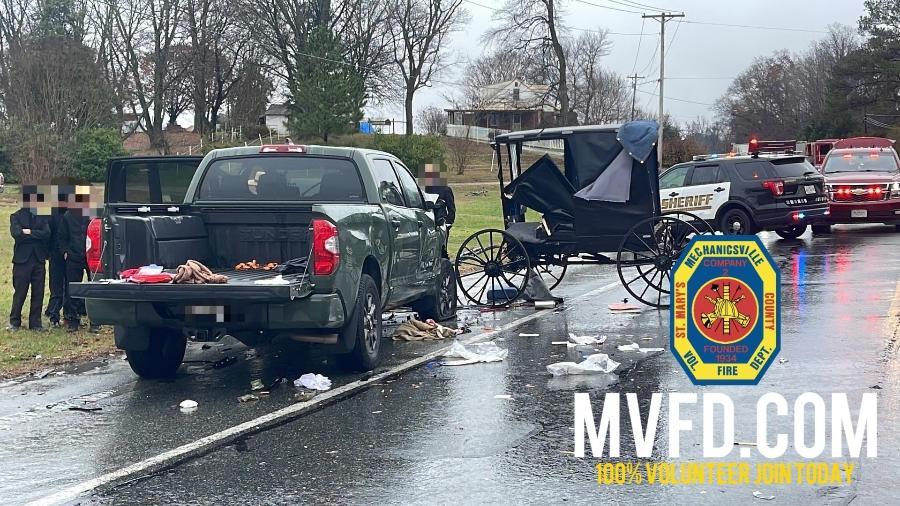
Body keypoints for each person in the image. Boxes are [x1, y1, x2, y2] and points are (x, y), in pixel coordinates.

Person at [9, 186, 51, 331]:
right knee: (20, 292)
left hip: (38, 259)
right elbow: (17, 234)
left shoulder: (41, 217)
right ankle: (15, 322)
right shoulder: (16, 216)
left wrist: (30, 232)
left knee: (38, 292)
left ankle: (36, 323)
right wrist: (34, 234)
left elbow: (46, 234)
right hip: (22, 260)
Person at [58, 190, 97, 333]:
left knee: (93, 287)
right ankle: (73, 320)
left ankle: (95, 321)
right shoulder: (67, 216)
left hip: (90, 256)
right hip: (73, 257)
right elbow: (61, 237)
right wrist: (66, 252)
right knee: (72, 288)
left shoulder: (92, 215)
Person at [44, 185, 70, 327]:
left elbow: (48, 235)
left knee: (58, 285)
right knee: (62, 285)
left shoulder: (52, 214)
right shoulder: (69, 215)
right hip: (62, 254)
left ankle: (56, 315)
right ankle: (59, 315)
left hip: (57, 253)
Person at [420, 164, 456, 236]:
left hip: (440, 222)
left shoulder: (445, 189)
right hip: (425, 223)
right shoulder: (422, 189)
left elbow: (451, 209)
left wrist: (447, 224)